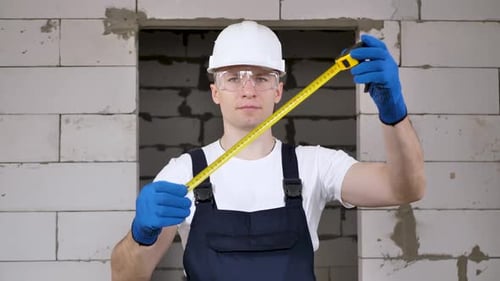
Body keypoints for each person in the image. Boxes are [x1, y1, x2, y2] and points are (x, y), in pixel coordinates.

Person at [111, 20, 425, 281]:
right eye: (233, 78)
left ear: (278, 89)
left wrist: (394, 114)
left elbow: (405, 188)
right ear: (215, 92)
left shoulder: (314, 165)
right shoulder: (182, 174)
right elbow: (124, 278)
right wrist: (141, 234)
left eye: (261, 77)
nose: (248, 89)